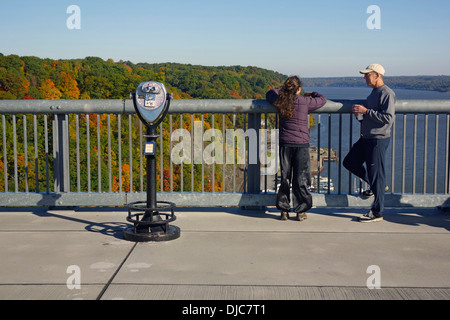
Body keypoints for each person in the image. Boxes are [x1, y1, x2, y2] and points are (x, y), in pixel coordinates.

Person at [266, 76, 327, 221]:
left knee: (285, 177)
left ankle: (284, 210)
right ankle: (301, 210)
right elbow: (322, 100)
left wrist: (284, 90)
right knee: (301, 177)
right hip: (301, 144)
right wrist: (312, 93)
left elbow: (269, 93)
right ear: (299, 89)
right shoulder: (305, 101)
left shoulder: (280, 100)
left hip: (285, 143)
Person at [343, 64, 396, 222]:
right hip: (366, 137)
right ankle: (374, 187)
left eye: (367, 75)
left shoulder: (387, 93)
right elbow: (373, 116)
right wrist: (360, 116)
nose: (365, 77)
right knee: (350, 162)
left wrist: (366, 112)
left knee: (377, 175)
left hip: (378, 139)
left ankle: (377, 212)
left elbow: (388, 118)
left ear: (377, 75)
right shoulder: (374, 93)